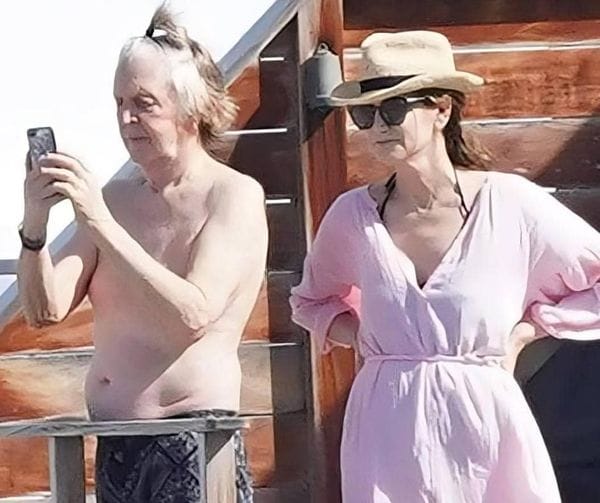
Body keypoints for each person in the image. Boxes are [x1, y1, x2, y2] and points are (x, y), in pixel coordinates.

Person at [289, 30, 600, 502]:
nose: (377, 126)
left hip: (483, 425)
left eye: (394, 109)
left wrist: (526, 332)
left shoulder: (510, 203)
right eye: (365, 114)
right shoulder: (353, 216)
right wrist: (372, 339)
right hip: (386, 427)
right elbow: (310, 300)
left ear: (442, 109)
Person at [17, 6, 267, 503]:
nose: (126, 119)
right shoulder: (114, 199)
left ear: (191, 108)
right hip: (115, 444)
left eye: (144, 103)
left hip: (192, 441)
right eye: (119, 103)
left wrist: (100, 224)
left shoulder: (231, 195)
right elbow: (44, 311)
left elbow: (192, 315)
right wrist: (35, 227)